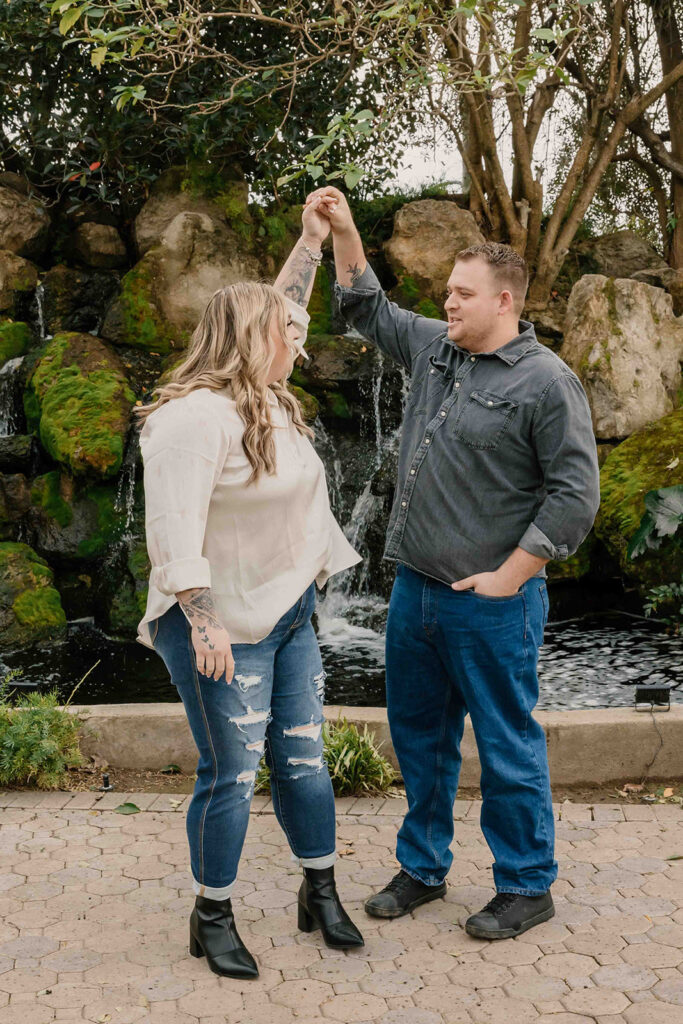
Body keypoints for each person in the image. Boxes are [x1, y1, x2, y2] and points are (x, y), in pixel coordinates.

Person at [306, 185, 600, 940]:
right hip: (416, 592)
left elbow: (573, 496)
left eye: (461, 294)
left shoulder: (545, 383)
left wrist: (510, 577)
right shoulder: (438, 349)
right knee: (419, 741)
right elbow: (367, 307)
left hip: (490, 601)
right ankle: (422, 868)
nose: (447, 304)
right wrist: (342, 229)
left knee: (505, 744)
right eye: (445, 292)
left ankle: (526, 884)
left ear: (503, 301)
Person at [133, 196, 365, 979]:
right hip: (220, 625)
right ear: (250, 342)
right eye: (283, 337)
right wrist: (202, 626)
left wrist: (308, 243)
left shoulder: (262, 395)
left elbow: (284, 308)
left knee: (303, 759)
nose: (297, 347)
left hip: (288, 614)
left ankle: (319, 890)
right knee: (230, 770)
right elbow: (170, 529)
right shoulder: (192, 419)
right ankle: (212, 914)